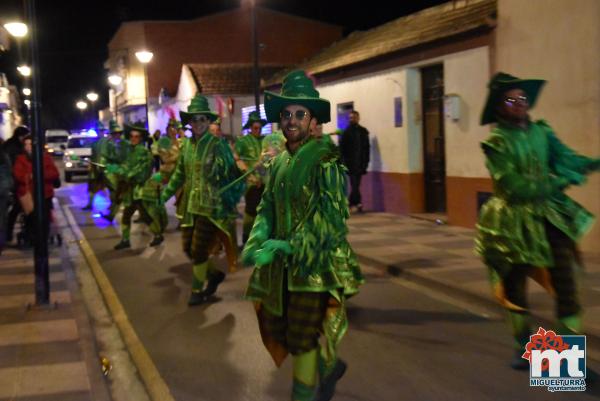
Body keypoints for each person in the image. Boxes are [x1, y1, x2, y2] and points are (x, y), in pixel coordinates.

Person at [242, 70, 364, 401]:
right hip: (281, 270)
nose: (292, 120)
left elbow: (331, 225)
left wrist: (285, 245)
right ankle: (328, 367)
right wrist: (255, 242)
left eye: (300, 113)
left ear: (312, 120)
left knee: (300, 337)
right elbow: (267, 208)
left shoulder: (326, 160)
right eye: (286, 114)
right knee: (280, 329)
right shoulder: (279, 162)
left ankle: (304, 395)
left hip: (314, 269)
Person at [475, 72, 600, 370]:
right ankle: (524, 348)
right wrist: (559, 183)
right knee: (516, 288)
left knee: (566, 287)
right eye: (510, 99)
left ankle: (564, 366)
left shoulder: (542, 132)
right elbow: (515, 188)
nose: (519, 103)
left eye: (522, 98)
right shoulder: (495, 144)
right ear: (499, 106)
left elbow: (569, 160)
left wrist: (593, 163)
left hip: (549, 217)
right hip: (510, 223)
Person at [160, 94, 243, 305]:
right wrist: (164, 195)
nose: (197, 123)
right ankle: (213, 275)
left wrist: (223, 171)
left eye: (202, 119)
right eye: (194, 119)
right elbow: (180, 173)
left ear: (208, 121)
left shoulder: (218, 145)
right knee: (188, 248)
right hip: (190, 205)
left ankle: (196, 291)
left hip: (211, 207)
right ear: (189, 122)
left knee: (198, 250)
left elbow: (232, 174)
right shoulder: (186, 146)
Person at [109, 122, 154, 250]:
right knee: (127, 215)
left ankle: (157, 235)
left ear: (141, 138)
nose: (133, 138)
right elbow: (125, 166)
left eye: (137, 136)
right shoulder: (130, 151)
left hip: (140, 191)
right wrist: (116, 169)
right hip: (130, 190)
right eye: (132, 136)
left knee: (146, 216)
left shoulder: (145, 153)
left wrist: (124, 173)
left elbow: (141, 173)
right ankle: (125, 240)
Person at [12, 135, 60, 246]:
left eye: (30, 144)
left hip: (45, 194)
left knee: (45, 217)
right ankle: (33, 238)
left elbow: (54, 173)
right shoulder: (21, 159)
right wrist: (29, 176)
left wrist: (39, 175)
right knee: (31, 218)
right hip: (28, 195)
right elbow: (18, 175)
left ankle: (43, 238)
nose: (28, 147)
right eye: (26, 145)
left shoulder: (45, 158)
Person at [235, 110, 268, 243]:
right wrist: (248, 174)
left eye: (260, 127)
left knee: (263, 212)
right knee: (250, 211)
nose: (258, 130)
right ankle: (246, 237)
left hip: (265, 182)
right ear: (250, 127)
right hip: (251, 183)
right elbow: (237, 159)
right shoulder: (243, 141)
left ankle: (259, 239)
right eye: (255, 127)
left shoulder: (265, 140)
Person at [339, 110, 370, 213]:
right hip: (350, 164)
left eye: (354, 117)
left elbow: (367, 148)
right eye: (351, 117)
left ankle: (353, 203)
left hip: (360, 164)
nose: (352, 119)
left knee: (356, 184)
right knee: (355, 184)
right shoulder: (346, 132)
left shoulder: (363, 131)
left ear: (358, 118)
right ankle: (357, 203)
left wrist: (366, 162)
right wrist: (343, 162)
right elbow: (341, 149)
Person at [4, 126, 30, 243]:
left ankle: (9, 234)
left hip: (14, 182)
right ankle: (9, 234)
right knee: (17, 208)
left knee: (16, 209)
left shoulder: (9, 145)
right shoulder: (14, 148)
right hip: (15, 183)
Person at [83, 121, 108, 210]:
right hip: (95, 168)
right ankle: (90, 204)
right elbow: (91, 155)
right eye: (98, 131)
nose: (99, 132)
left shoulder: (108, 142)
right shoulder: (93, 143)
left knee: (111, 187)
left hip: (106, 168)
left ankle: (113, 206)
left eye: (100, 131)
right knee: (92, 187)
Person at [0, 145, 13, 253]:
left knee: (2, 218)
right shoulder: (4, 157)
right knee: (2, 218)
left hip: (2, 192)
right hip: (3, 192)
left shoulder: (4, 157)